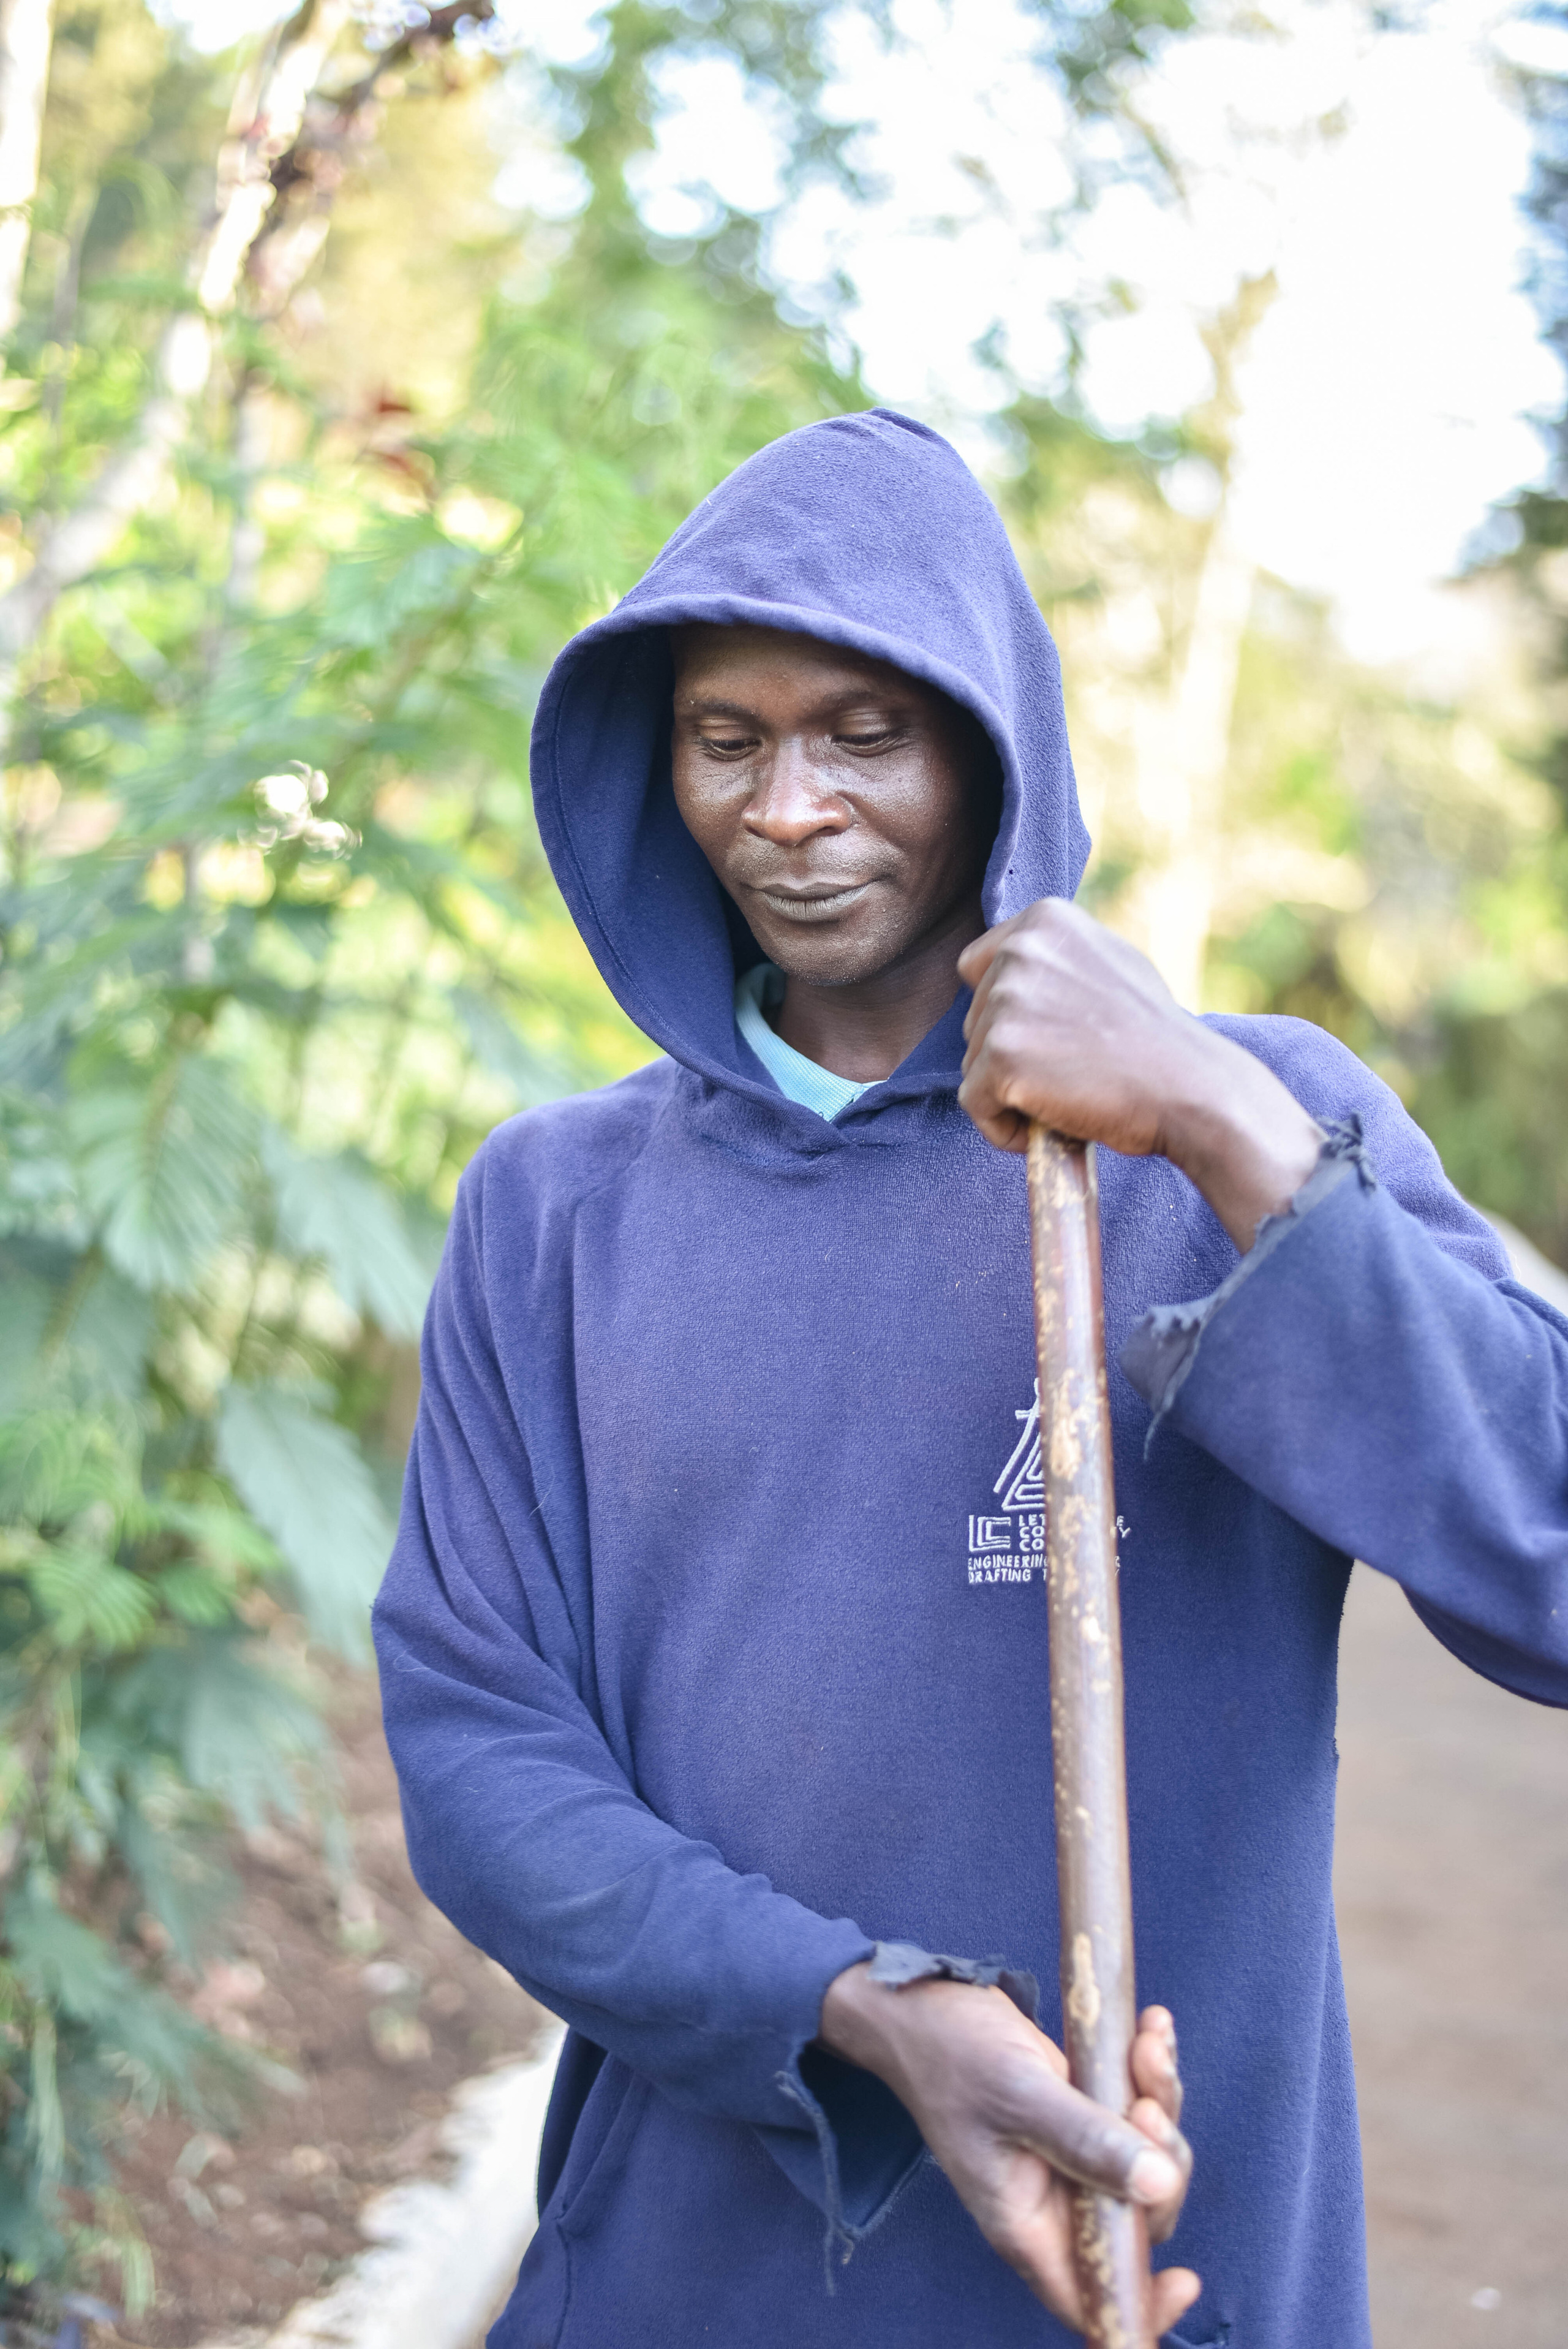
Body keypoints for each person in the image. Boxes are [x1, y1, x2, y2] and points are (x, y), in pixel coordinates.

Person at [372, 409, 1568, 2349]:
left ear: (988, 745)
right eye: (726, 736)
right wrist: (859, 2010)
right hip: (690, 2270)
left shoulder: (1236, 1141)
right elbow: (483, 1763)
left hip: (1156, 2262)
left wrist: (1219, 1122)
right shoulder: (557, 1210)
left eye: (866, 731)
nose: (790, 806)